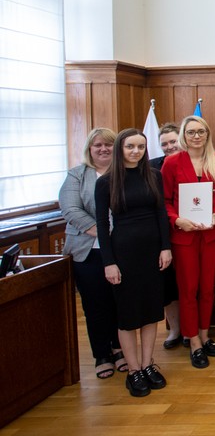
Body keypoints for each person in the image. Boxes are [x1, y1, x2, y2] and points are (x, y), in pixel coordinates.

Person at [95, 129, 172, 397]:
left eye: (140, 147)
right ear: (120, 148)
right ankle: (133, 370)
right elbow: (102, 225)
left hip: (153, 253)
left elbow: (161, 213)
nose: (136, 151)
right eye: (130, 147)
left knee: (151, 312)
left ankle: (148, 364)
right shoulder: (106, 182)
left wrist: (166, 247)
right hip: (123, 254)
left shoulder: (154, 175)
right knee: (128, 315)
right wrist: (108, 262)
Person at [161, 115, 215, 369]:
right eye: (191, 132)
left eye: (200, 131)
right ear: (183, 135)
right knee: (188, 289)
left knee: (207, 288)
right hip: (184, 236)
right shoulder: (172, 162)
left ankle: (204, 335)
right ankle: (192, 340)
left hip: (212, 233)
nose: (196, 136)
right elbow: (164, 200)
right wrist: (177, 220)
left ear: (207, 134)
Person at [59, 127, 127, 379]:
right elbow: (70, 209)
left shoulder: (125, 173)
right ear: (90, 148)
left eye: (108, 144)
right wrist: (103, 232)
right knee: (95, 305)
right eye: (97, 145)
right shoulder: (77, 175)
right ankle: (102, 354)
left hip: (122, 250)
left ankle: (120, 348)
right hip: (88, 251)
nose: (103, 149)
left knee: (119, 303)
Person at [151, 122, 183, 349]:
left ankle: (192, 329)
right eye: (164, 144)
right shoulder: (151, 168)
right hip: (163, 233)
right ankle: (175, 329)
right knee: (169, 285)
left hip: (192, 230)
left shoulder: (195, 162)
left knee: (189, 283)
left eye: (173, 141)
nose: (170, 146)